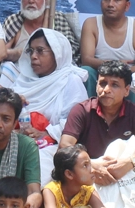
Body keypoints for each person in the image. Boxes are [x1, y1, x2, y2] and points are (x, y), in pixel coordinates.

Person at [58, 61, 135, 187]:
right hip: (88, 177)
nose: (106, 90)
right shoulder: (82, 110)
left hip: (125, 177)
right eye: (102, 83)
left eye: (115, 85)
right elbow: (65, 146)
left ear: (127, 90)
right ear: (96, 86)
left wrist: (129, 163)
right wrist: (91, 165)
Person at [6, 30, 88, 184]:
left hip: (52, 146)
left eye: (40, 51)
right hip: (17, 140)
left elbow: (76, 121)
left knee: (37, 164)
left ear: (57, 54)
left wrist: (45, 133)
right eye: (31, 51)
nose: (33, 56)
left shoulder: (70, 80)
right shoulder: (23, 80)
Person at [2, 0, 81, 68]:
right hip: (18, 74)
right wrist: (18, 53)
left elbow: (69, 52)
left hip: (52, 74)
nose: (31, 1)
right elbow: (0, 53)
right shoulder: (13, 21)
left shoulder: (57, 19)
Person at [79, 0, 135, 73]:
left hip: (129, 77)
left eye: (117, 0)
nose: (110, 4)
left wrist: (120, 73)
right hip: (99, 75)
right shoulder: (91, 24)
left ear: (127, 6)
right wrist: (116, 65)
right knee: (86, 70)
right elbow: (86, 60)